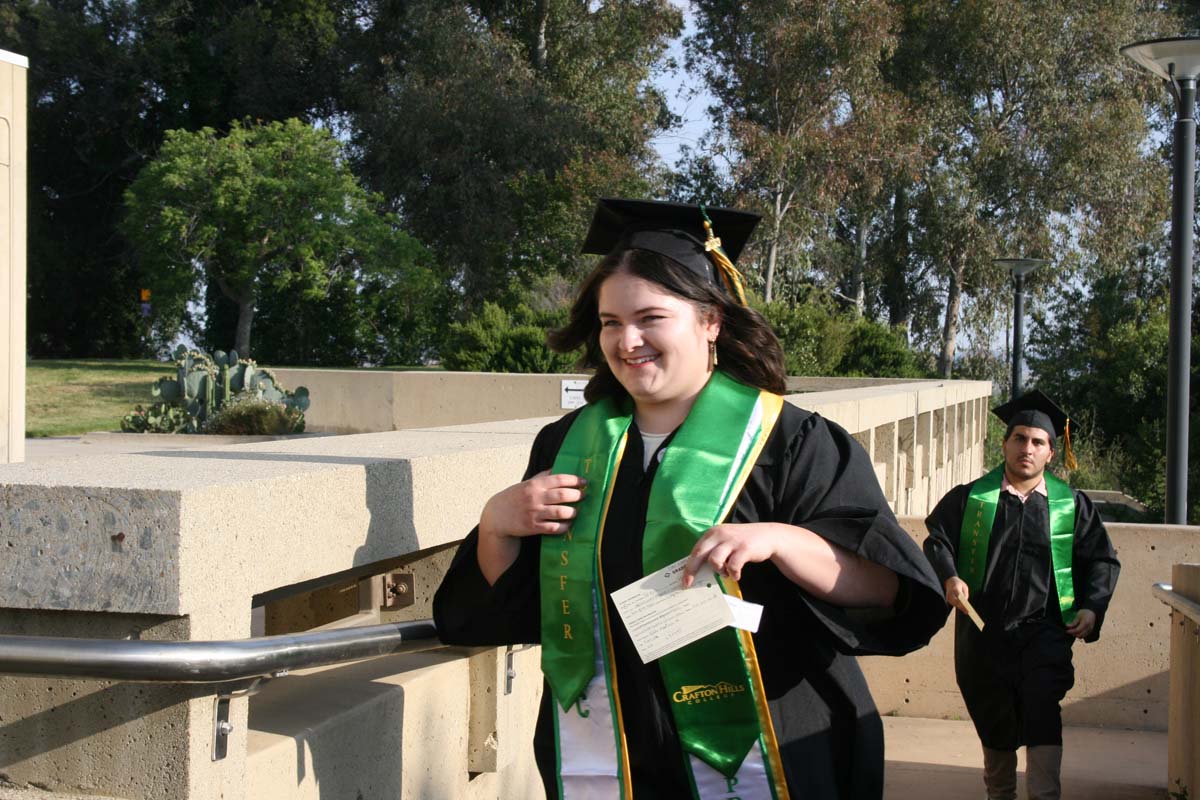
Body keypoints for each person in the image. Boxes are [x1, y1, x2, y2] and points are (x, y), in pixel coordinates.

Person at [433, 197, 946, 800]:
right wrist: (496, 525)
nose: (628, 341)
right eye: (610, 322)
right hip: (615, 751)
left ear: (711, 322)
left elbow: (889, 591)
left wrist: (782, 541)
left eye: (651, 317)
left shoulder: (791, 442)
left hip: (774, 744)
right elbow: (519, 610)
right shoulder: (568, 446)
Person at [922, 390, 1121, 800]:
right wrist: (950, 577)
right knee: (994, 717)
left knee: (1043, 710)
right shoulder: (972, 498)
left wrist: (1092, 607)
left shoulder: (1071, 506)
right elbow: (937, 541)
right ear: (1004, 444)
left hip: (1046, 632)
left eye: (1037, 442)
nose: (1026, 448)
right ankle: (1000, 794)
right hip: (985, 633)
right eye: (1019, 438)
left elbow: (1101, 560)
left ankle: (1045, 795)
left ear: (1051, 453)